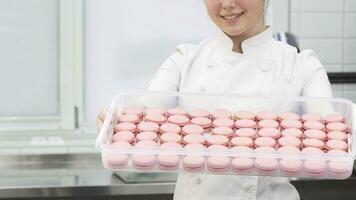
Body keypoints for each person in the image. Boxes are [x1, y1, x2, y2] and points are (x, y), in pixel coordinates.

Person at [97, 0, 333, 199]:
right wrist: (117, 122)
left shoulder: (303, 66)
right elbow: (147, 113)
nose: (227, 4)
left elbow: (330, 133)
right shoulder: (185, 60)